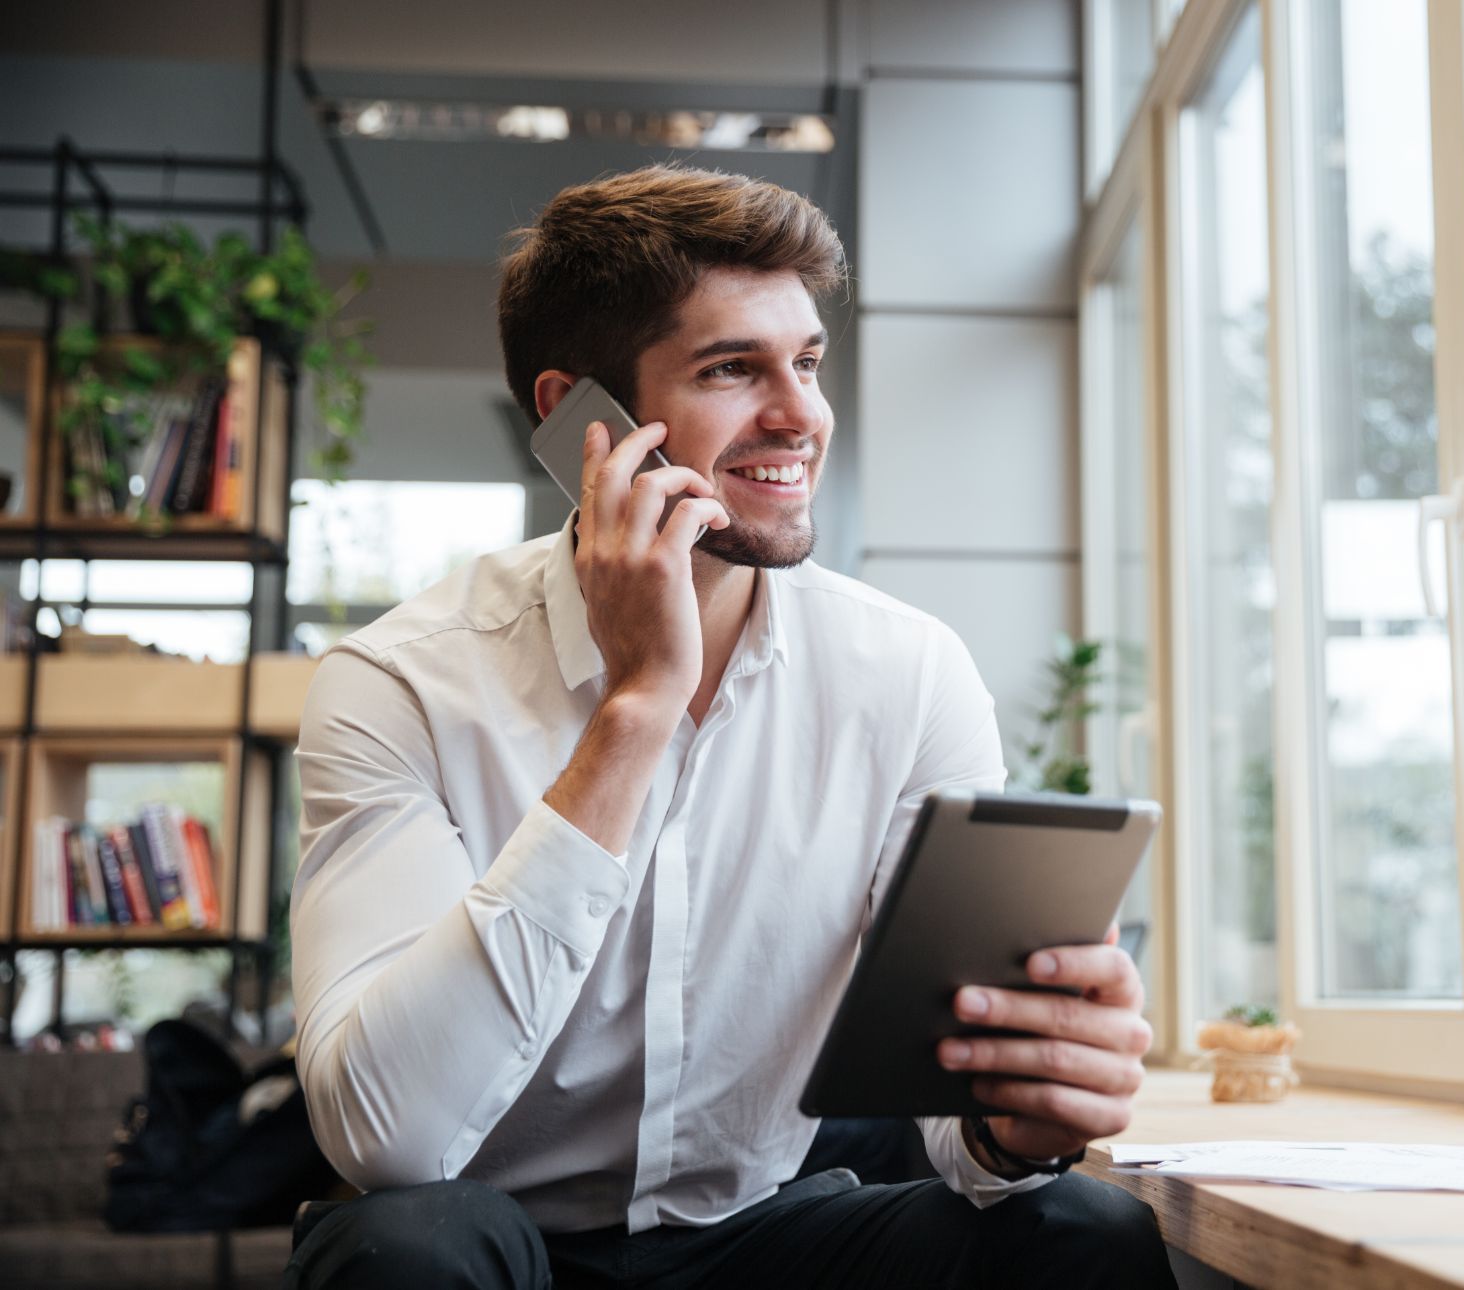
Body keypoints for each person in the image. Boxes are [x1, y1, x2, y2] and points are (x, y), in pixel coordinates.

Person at [283, 166, 1176, 1289]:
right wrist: (639, 706)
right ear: (577, 421)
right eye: (731, 369)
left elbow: (958, 1129)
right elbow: (388, 1141)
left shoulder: (906, 674)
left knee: (1084, 1237)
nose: (802, 413)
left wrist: (1021, 1114)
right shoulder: (397, 683)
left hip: (759, 1235)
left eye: (805, 360)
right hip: (498, 1241)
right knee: (401, 1253)